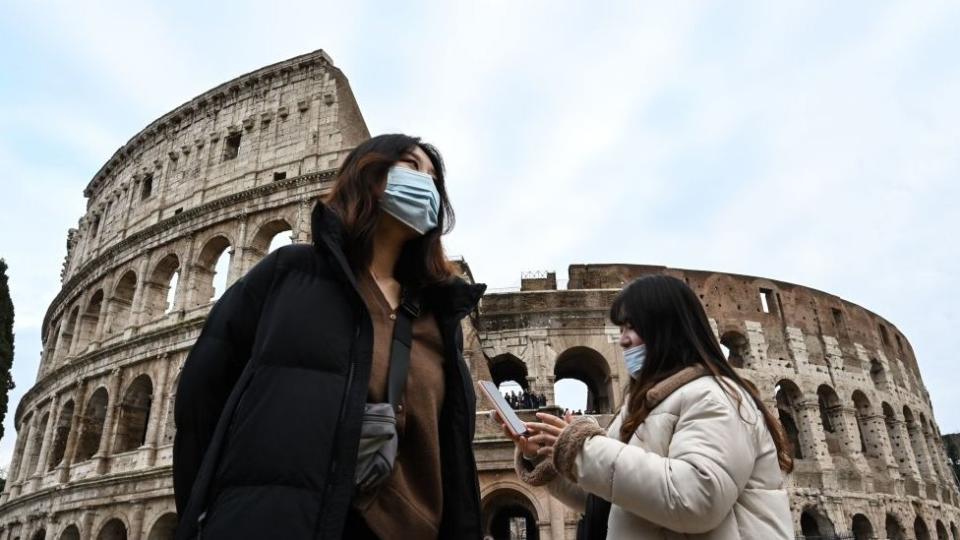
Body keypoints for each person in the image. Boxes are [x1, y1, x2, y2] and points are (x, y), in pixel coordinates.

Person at [173, 134, 486, 539]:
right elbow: (202, 400)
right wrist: (216, 514)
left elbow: (450, 452)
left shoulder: (438, 318)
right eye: (411, 166)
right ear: (367, 173)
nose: (425, 184)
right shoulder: (288, 274)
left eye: (434, 179)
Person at [497, 275, 794, 538]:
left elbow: (697, 498)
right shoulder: (641, 407)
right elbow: (609, 498)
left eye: (631, 327)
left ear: (667, 328)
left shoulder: (715, 397)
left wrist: (582, 449)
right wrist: (548, 460)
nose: (623, 340)